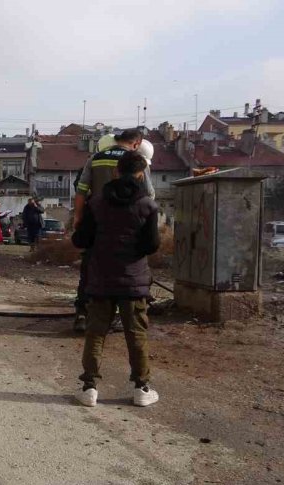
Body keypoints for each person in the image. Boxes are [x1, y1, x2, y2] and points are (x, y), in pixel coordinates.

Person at [71, 151, 160, 408]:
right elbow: (152, 244)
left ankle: (89, 388)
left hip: (100, 279)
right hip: (133, 281)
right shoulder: (147, 205)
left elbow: (81, 240)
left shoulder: (96, 203)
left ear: (115, 171)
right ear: (141, 174)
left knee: (95, 333)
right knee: (136, 334)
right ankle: (141, 388)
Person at [71, 128, 152, 332]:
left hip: (97, 220)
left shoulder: (95, 158)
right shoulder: (136, 161)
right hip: (129, 224)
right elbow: (149, 194)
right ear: (136, 143)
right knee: (126, 269)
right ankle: (122, 317)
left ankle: (83, 314)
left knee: (90, 268)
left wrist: (79, 218)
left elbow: (81, 190)